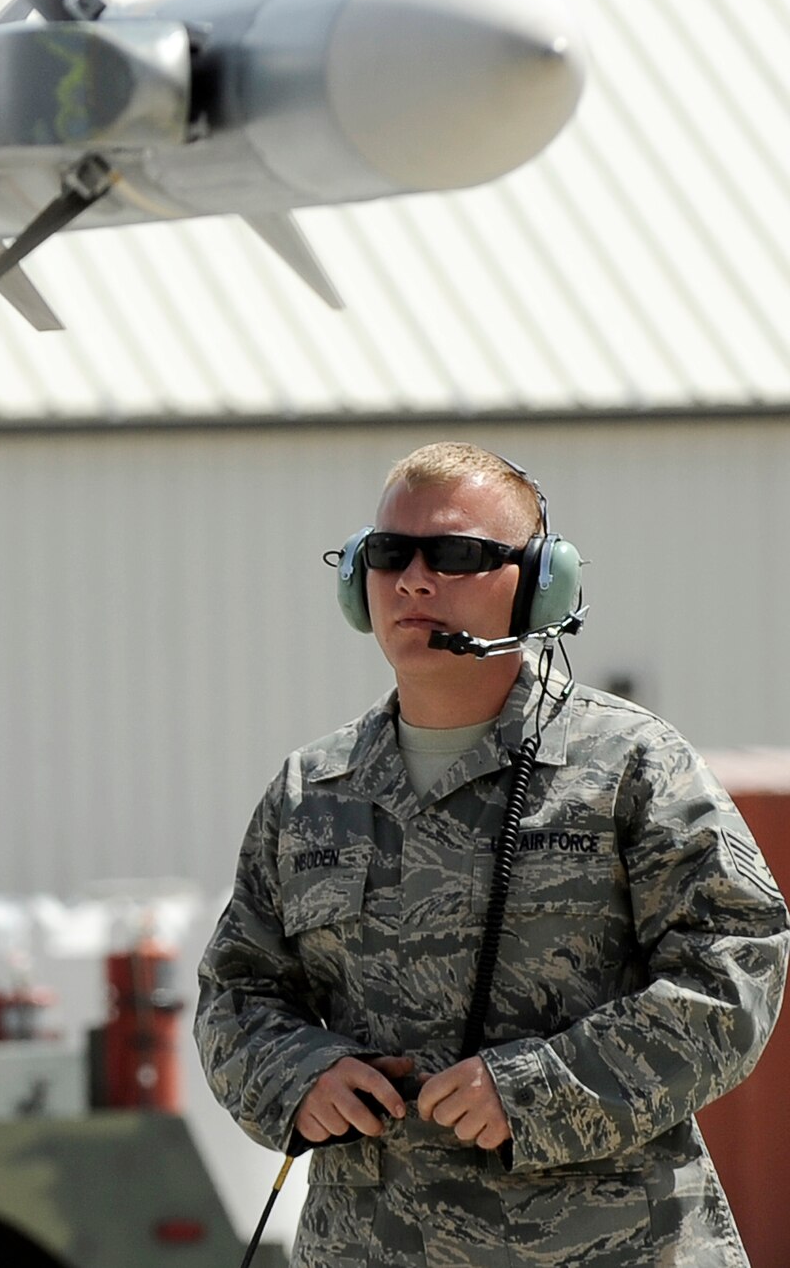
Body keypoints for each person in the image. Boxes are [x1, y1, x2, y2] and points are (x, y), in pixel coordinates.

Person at [194, 442, 790, 1266]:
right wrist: (302, 1073)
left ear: (543, 585)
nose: (412, 579)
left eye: (457, 554)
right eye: (387, 553)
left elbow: (736, 967)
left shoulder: (631, 765)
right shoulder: (312, 790)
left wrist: (539, 1089)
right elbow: (236, 991)